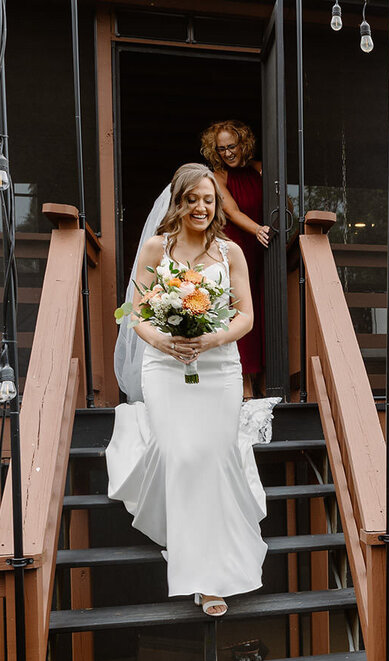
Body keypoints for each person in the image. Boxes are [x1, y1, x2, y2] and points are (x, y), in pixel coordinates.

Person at [107, 163, 274, 617]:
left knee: (213, 458)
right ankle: (195, 568)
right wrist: (161, 339)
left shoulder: (230, 253)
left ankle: (213, 576)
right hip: (164, 369)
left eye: (209, 200)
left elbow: (245, 317)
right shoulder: (155, 248)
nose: (201, 207)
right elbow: (134, 312)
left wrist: (211, 339)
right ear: (178, 202)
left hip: (219, 369)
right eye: (193, 199)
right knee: (181, 457)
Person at [200, 120, 272, 398]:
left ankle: (267, 383)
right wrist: (258, 229)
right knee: (239, 310)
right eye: (221, 149)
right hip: (238, 246)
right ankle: (245, 390)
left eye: (232, 146)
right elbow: (231, 210)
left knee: (265, 315)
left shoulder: (260, 168)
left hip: (264, 249)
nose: (228, 153)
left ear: (244, 143)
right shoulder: (218, 178)